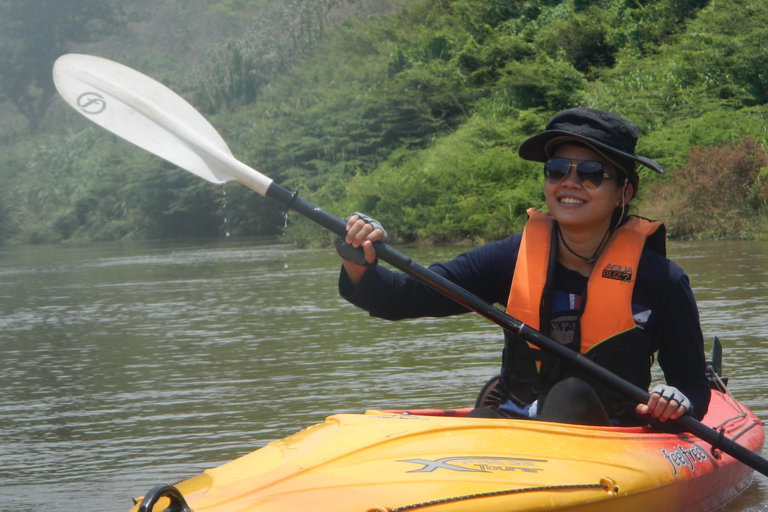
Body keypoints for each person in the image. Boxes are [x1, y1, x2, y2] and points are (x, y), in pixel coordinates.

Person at [335, 108, 711, 427]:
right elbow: (403, 297)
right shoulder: (511, 258)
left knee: (571, 395)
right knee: (487, 411)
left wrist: (676, 401)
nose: (570, 182)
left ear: (623, 193)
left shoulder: (662, 280)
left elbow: (693, 389)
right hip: (519, 432)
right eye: (557, 169)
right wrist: (359, 259)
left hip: (611, 442)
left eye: (592, 172)